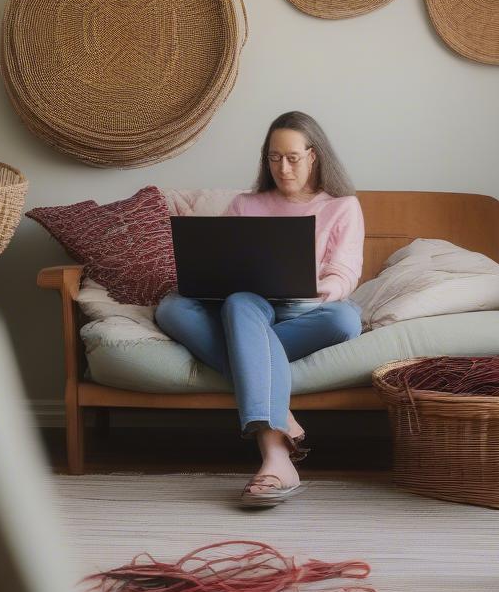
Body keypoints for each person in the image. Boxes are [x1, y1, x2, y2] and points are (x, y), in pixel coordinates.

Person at [155, 111, 365, 508]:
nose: (282, 168)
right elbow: (222, 263)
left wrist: (317, 285)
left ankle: (265, 397)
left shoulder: (342, 206)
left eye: (292, 158)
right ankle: (276, 451)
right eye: (273, 158)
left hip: (306, 309)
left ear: (314, 156)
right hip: (246, 306)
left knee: (345, 318)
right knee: (172, 309)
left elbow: (345, 271)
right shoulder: (245, 204)